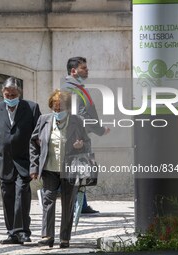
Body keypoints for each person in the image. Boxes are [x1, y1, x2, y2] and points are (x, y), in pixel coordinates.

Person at [0, 77, 41, 245]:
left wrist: (38, 161)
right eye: (8, 94)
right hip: (5, 162)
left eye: (14, 95)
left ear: (19, 93)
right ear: (2, 93)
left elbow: (39, 136)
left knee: (21, 195)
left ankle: (23, 231)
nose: (11, 97)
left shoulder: (32, 108)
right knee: (8, 197)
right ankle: (12, 233)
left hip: (25, 162)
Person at [30, 89, 91, 248]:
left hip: (69, 169)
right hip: (49, 168)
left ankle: (65, 238)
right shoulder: (44, 120)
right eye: (55, 109)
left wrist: (81, 145)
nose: (57, 112)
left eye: (60, 109)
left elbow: (87, 143)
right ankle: (47, 235)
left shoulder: (76, 121)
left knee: (67, 203)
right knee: (48, 199)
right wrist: (34, 167)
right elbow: (33, 143)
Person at [62, 56, 110, 214]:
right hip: (76, 136)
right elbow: (79, 114)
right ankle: (75, 205)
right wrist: (100, 129)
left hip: (82, 134)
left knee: (82, 170)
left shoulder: (78, 87)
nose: (87, 70)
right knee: (77, 170)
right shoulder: (69, 89)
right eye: (84, 68)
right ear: (73, 71)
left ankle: (81, 205)